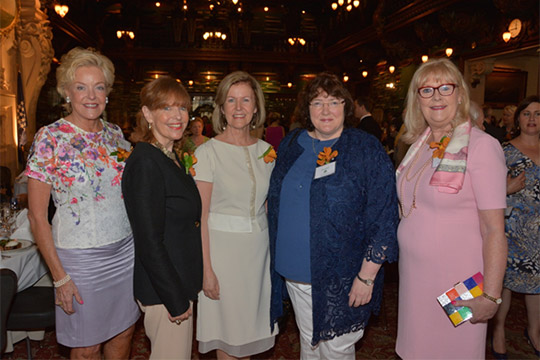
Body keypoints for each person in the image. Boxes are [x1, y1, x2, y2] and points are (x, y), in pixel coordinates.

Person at [268, 72, 399, 359]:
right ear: (307, 110)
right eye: (317, 103)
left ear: (346, 107)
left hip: (342, 273)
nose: (326, 110)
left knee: (336, 349)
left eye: (334, 101)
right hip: (295, 272)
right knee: (309, 344)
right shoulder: (292, 144)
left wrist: (367, 276)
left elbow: (384, 216)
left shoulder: (364, 148)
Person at [25, 47, 140, 359]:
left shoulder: (117, 136)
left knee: (124, 332)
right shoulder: (50, 138)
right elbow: (37, 217)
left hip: (125, 253)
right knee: (86, 346)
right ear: (66, 92)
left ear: (107, 93)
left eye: (99, 87)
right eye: (81, 87)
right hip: (79, 261)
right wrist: (59, 276)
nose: (91, 96)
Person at [395, 58, 508, 359]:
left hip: (457, 283)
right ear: (416, 100)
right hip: (415, 279)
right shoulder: (417, 145)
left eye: (445, 87)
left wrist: (492, 296)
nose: (436, 96)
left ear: (460, 95)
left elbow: (494, 228)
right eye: (426, 90)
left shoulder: (482, 147)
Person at [194, 71, 277, 359]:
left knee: (250, 335)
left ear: (256, 107)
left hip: (258, 256)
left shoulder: (267, 151)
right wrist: (207, 271)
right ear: (221, 107)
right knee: (228, 339)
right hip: (222, 256)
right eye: (231, 100)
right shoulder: (207, 153)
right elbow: (201, 217)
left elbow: (268, 207)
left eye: (245, 100)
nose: (239, 107)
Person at [122, 76, 203, 359]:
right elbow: (149, 241)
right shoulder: (145, 161)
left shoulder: (169, 155)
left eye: (182, 108)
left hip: (176, 281)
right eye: (166, 108)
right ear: (147, 114)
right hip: (164, 292)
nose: (177, 116)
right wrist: (175, 299)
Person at [491, 95, 540, 359]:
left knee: (538, 283)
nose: (532, 119)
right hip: (511, 228)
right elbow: (484, 191)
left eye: (538, 114)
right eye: (527, 113)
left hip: (539, 232)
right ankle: (498, 331)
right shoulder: (503, 150)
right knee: (505, 282)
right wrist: (506, 188)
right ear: (518, 118)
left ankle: (534, 331)